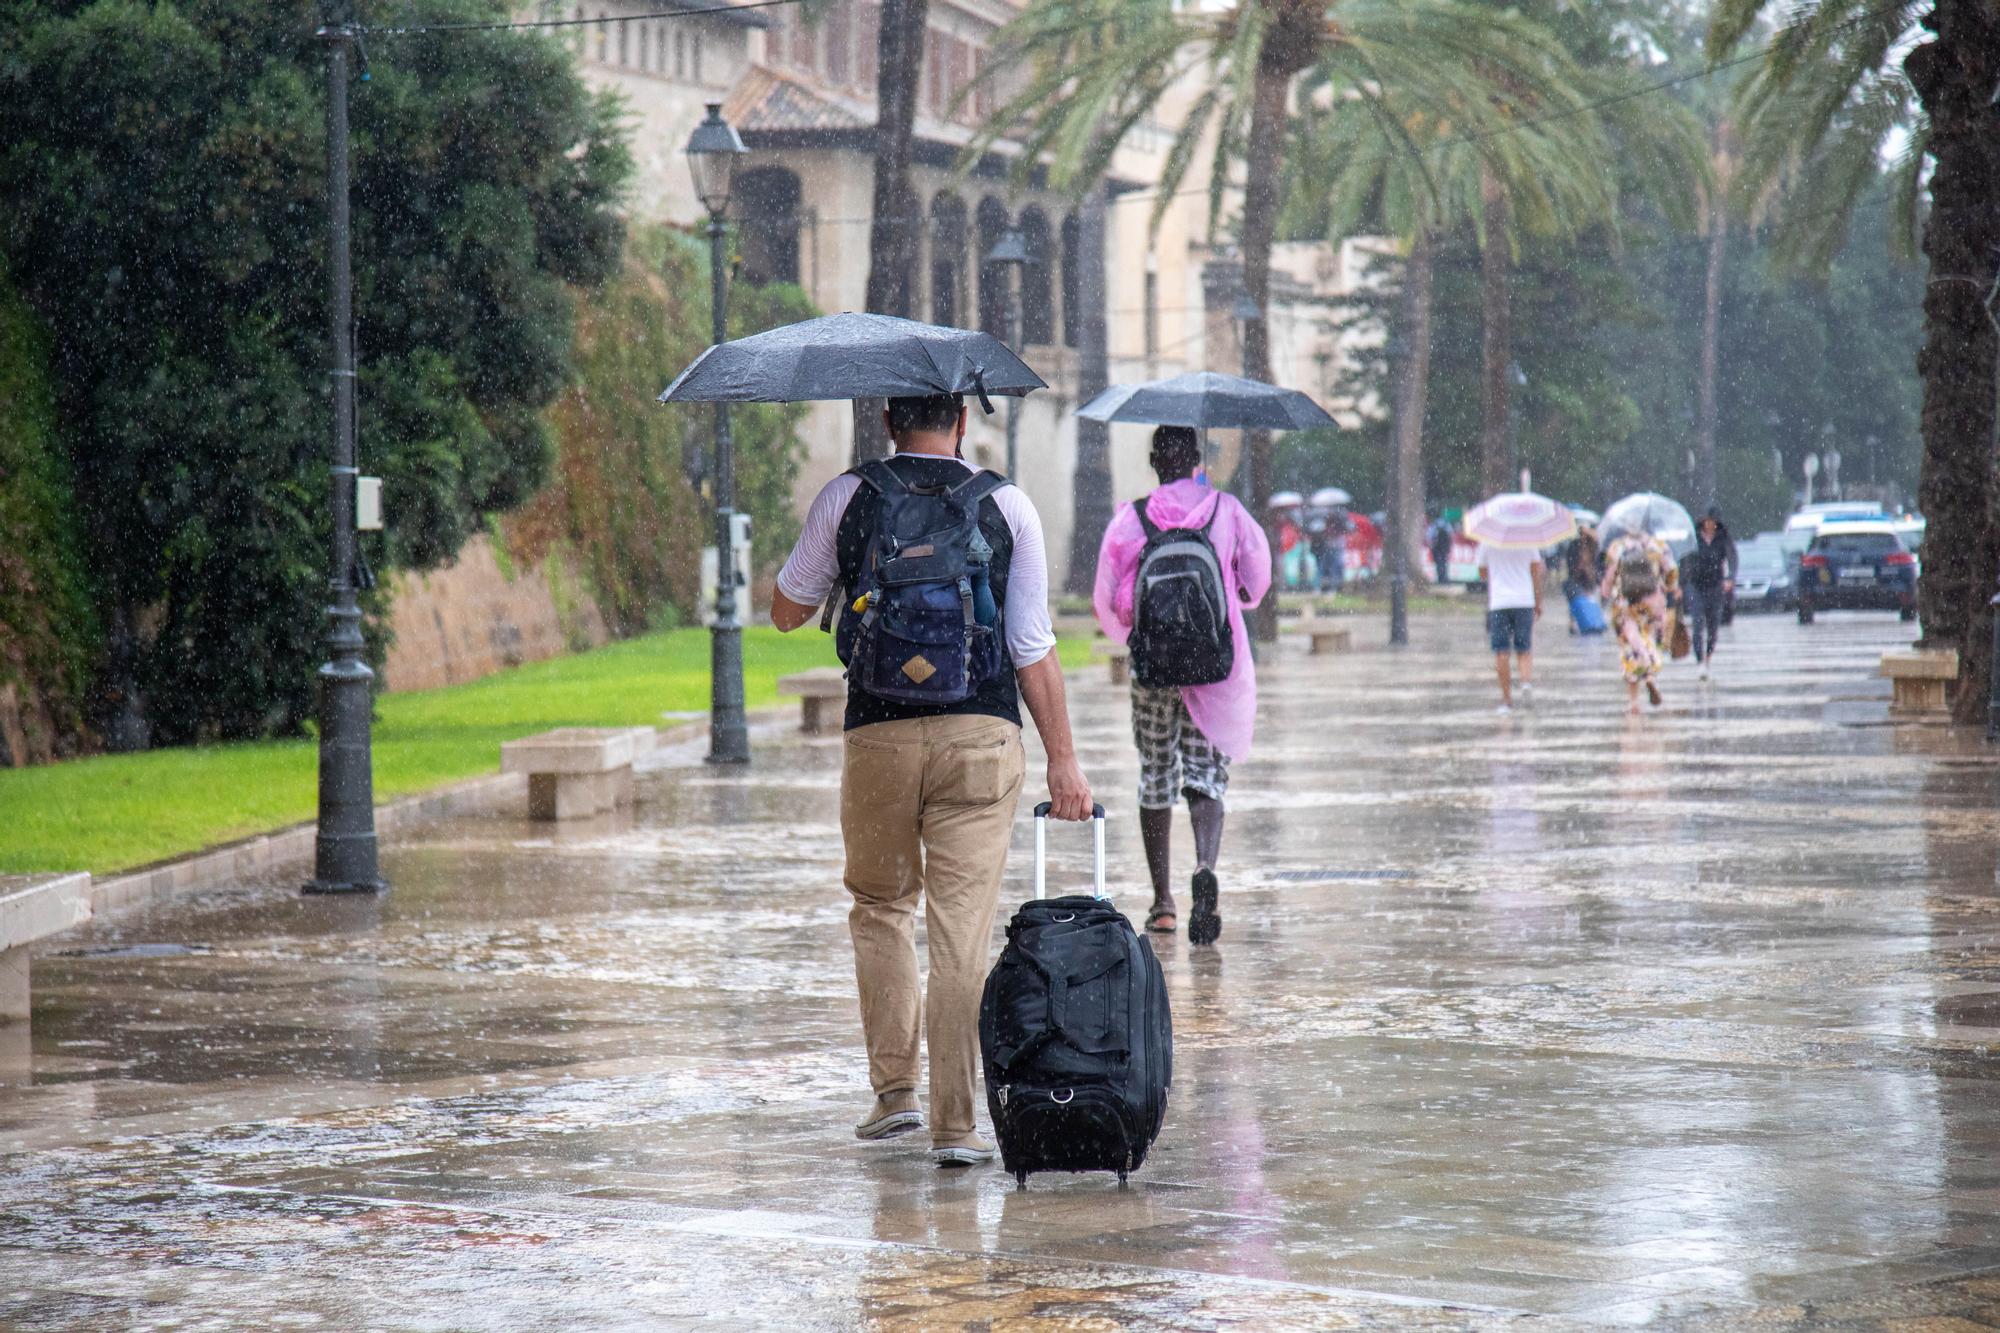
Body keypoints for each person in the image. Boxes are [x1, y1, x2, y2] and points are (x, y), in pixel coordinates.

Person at [770, 392, 1092, 1169]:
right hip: (982, 733)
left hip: (877, 733)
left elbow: (784, 610)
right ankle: (956, 1126)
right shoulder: (1006, 507)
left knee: (881, 906)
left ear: (888, 421)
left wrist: (853, 584)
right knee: (960, 934)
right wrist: (1065, 759)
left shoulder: (850, 496)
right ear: (962, 422)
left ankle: (894, 1098)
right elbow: (1030, 644)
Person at [1092, 426, 1272, 945]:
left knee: (1155, 772)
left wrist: (1142, 634)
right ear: (1197, 460)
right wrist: (1231, 594)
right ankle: (1205, 866)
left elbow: (1108, 601)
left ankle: (1163, 904)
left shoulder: (1132, 517)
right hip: (1212, 666)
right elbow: (1256, 579)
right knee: (1205, 773)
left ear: (1154, 462)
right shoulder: (1226, 511)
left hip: (1154, 667)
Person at [1600, 528, 1678, 713]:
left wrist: (1605, 592)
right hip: (1653, 604)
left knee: (1630, 648)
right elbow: (1672, 574)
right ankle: (1650, 675)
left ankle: (1634, 702)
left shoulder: (1617, 547)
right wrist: (1668, 587)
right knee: (1650, 640)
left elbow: (1609, 578)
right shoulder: (1659, 547)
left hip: (1625, 605)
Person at [1476, 539, 1543, 715]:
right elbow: (1536, 571)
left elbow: (1482, 573)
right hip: (1524, 600)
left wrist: (1498, 572)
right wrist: (1538, 600)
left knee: (1501, 651)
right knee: (1524, 647)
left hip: (1499, 602)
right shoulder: (1528, 539)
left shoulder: (1488, 541)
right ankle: (1525, 681)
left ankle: (1507, 700)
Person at [1681, 508, 1737, 679]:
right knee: (1697, 624)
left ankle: (1708, 657)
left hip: (1715, 586)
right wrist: (1680, 584)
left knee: (1713, 626)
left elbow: (1732, 557)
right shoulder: (1693, 538)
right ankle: (1700, 661)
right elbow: (1685, 560)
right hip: (1696, 585)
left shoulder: (1723, 538)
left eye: (1713, 521)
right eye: (1707, 521)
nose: (1710, 524)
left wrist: (1730, 578)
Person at [1311, 507, 1349, 594]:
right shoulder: (1325, 523)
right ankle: (1328, 588)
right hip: (1328, 548)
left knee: (1332, 568)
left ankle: (1332, 588)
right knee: (1326, 569)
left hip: (1332, 548)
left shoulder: (1336, 523)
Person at [1428, 512, 1455, 587]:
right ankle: (1445, 579)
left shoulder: (1434, 524)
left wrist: (1432, 545)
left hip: (1437, 548)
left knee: (1438, 563)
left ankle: (1440, 579)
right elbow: (1451, 533)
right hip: (1445, 547)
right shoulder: (1446, 524)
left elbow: (1429, 536)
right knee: (1444, 562)